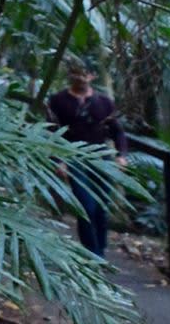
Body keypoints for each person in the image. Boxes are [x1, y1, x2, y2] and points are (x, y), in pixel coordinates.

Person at [46, 60, 126, 258]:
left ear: (92, 76)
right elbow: (51, 132)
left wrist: (121, 155)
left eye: (85, 74)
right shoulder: (57, 101)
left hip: (101, 159)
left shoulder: (104, 102)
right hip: (74, 158)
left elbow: (118, 131)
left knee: (101, 207)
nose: (80, 78)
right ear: (70, 76)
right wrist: (58, 160)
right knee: (85, 206)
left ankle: (101, 249)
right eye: (76, 73)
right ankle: (93, 254)